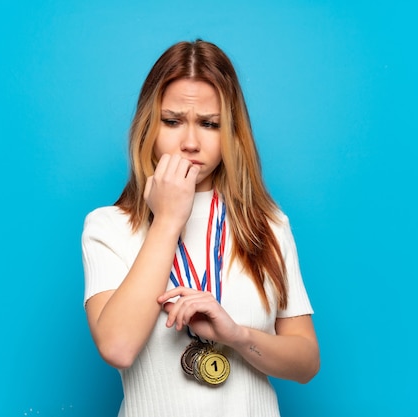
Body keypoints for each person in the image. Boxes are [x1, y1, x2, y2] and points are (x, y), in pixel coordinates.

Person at [82, 39, 319, 417]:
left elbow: (306, 363)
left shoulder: (267, 225)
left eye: (210, 124)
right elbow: (118, 348)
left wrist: (237, 337)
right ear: (149, 126)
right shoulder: (108, 227)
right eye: (173, 121)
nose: (190, 143)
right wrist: (169, 220)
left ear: (232, 134)